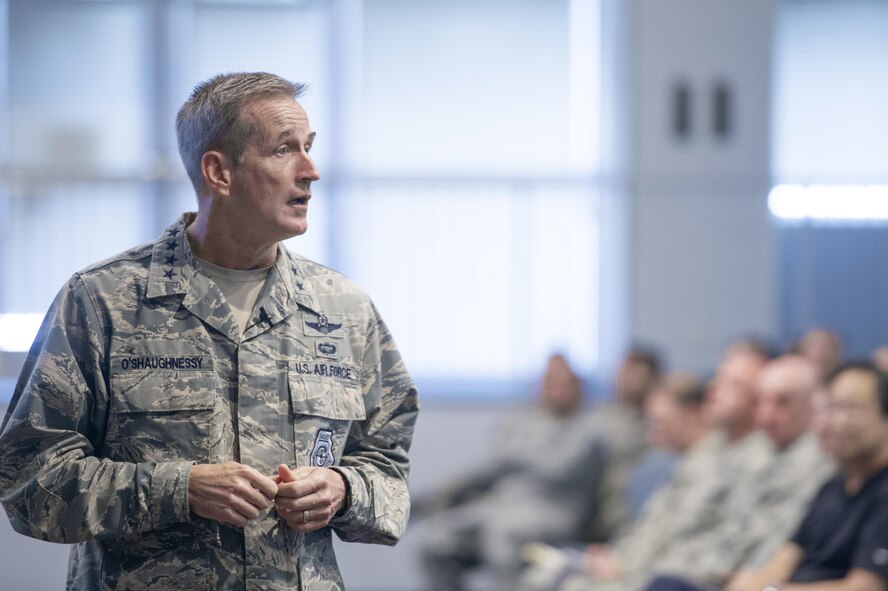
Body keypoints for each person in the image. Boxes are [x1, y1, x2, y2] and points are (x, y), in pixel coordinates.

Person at [0, 72, 419, 590]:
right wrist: (180, 488)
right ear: (219, 172)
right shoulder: (102, 301)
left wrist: (342, 488)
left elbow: (388, 470)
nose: (310, 171)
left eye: (309, 148)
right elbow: (29, 480)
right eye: (284, 150)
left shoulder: (343, 310)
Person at [519, 347, 773, 591]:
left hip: (667, 577)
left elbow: (721, 548)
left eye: (731, 384)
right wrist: (619, 557)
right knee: (543, 576)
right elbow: (655, 528)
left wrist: (628, 567)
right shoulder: (706, 457)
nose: (714, 391)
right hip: (644, 569)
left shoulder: (754, 461)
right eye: (717, 381)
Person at [648, 361, 888, 591]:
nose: (838, 421)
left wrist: (770, 589)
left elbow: (866, 588)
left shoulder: (881, 494)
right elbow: (788, 555)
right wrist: (757, 583)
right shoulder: (835, 486)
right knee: (668, 584)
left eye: (853, 408)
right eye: (833, 408)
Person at [417, 354, 607, 591]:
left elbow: (555, 469)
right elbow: (490, 467)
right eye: (549, 382)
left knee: (502, 533)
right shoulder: (522, 421)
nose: (555, 390)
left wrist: (515, 454)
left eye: (563, 383)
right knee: (437, 538)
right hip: (501, 507)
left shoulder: (589, 430)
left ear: (578, 388)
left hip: (552, 512)